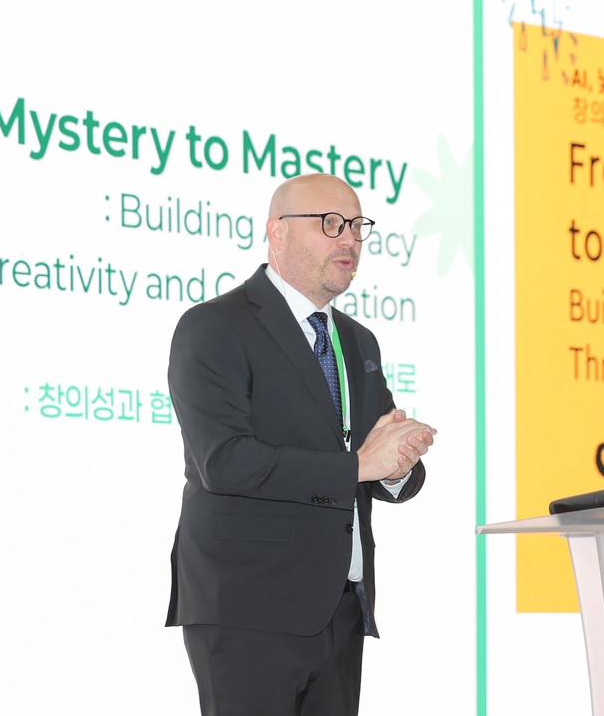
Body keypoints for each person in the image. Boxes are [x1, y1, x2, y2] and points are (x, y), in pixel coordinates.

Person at [166, 173, 437, 715]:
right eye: (331, 224)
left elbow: (374, 459)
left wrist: (397, 465)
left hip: (341, 607)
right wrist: (360, 465)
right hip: (247, 607)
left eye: (357, 226)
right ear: (278, 232)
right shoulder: (214, 326)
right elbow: (225, 462)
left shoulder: (358, 340)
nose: (349, 239)